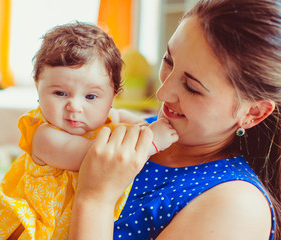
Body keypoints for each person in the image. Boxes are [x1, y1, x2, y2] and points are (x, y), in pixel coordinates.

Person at [68, 0, 281, 239]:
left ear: (253, 113)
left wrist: (96, 199)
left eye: (192, 87)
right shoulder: (148, 129)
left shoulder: (237, 207)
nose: (162, 93)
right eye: (168, 61)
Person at [0, 22, 178, 240]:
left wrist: (144, 126)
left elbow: (126, 116)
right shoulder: (44, 135)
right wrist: (151, 141)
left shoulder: (107, 117)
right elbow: (98, 156)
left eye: (90, 97)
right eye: (60, 93)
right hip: (41, 225)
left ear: (113, 96)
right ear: (37, 86)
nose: (75, 107)